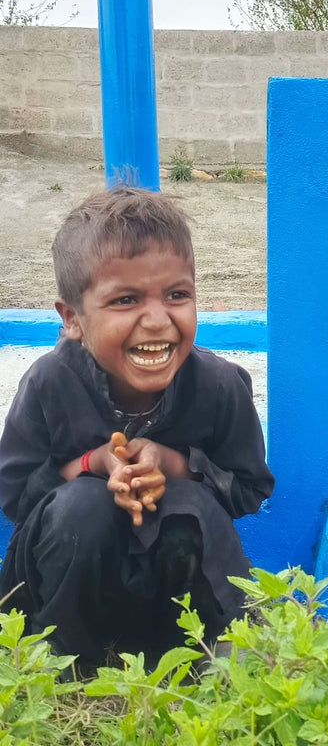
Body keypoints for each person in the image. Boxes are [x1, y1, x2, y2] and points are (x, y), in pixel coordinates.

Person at [0, 186, 274, 665]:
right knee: (84, 505)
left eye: (177, 295)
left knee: (186, 500)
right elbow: (16, 498)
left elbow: (249, 489)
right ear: (72, 319)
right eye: (126, 300)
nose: (157, 320)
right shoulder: (50, 384)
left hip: (170, 597)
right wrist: (93, 465)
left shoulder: (219, 386)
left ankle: (210, 657)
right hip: (66, 587)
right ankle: (61, 664)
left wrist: (172, 464)